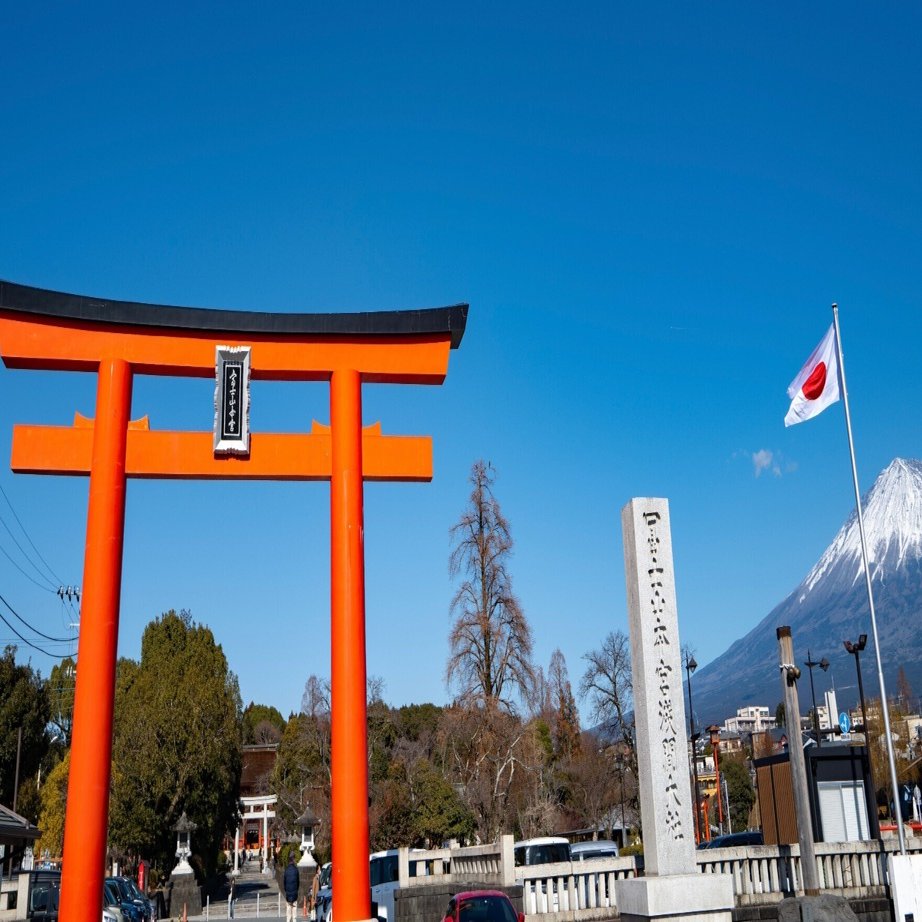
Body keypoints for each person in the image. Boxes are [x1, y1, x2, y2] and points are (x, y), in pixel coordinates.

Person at [284, 852, 300, 922]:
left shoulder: (286, 870)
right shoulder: (296, 870)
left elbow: (284, 882)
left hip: (288, 893)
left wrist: (286, 890)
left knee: (288, 908)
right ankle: (294, 920)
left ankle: (288, 920)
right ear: (293, 860)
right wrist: (296, 889)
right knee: (294, 908)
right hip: (294, 892)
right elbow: (298, 882)